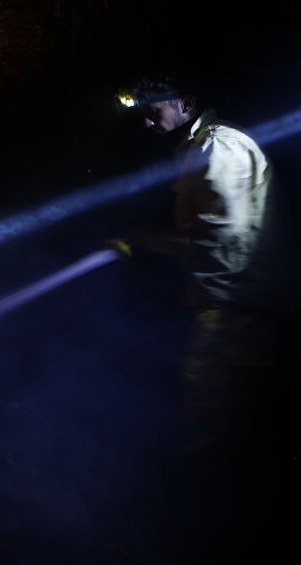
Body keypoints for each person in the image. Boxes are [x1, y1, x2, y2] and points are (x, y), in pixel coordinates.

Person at [121, 73, 298, 560]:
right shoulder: (201, 146)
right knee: (237, 419)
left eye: (153, 109)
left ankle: (207, 529)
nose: (146, 121)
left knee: (213, 415)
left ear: (185, 102)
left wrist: (147, 241)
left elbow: (222, 239)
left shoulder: (221, 146)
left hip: (240, 305)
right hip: (239, 301)